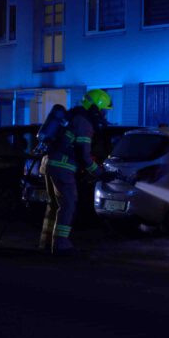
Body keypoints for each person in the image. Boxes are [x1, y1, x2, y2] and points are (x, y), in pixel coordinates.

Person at [40, 89, 114, 255]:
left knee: (54, 206)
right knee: (68, 204)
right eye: (104, 110)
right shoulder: (84, 123)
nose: (104, 115)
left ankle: (46, 244)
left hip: (51, 164)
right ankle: (61, 245)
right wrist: (100, 173)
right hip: (63, 168)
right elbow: (84, 155)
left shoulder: (74, 116)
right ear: (96, 108)